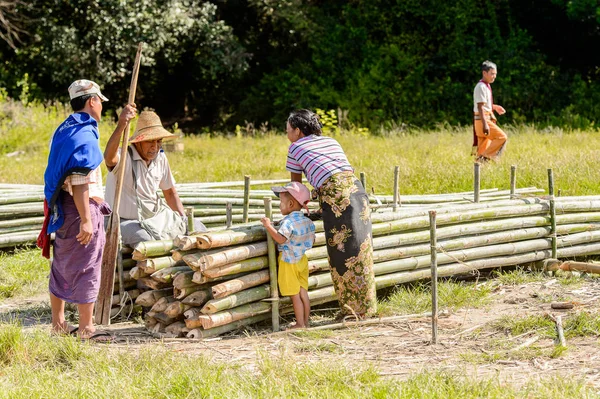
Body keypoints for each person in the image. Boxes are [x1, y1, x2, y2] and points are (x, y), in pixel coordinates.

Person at [37, 79, 136, 341]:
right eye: (100, 102)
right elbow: (80, 178)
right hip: (81, 208)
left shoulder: (65, 129)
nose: (101, 107)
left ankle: (58, 324)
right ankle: (86, 327)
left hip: (63, 209)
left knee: (62, 263)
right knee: (88, 265)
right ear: (92, 101)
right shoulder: (84, 133)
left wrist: (122, 123)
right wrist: (86, 220)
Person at [284, 109, 377, 319]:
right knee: (361, 251)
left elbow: (295, 186)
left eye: (288, 129)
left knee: (341, 253)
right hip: (356, 191)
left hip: (335, 196)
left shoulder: (295, 147)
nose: (287, 133)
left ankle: (351, 312)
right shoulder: (331, 141)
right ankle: (365, 309)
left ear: (297, 131)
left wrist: (293, 213)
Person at [104, 111, 206, 247]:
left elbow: (170, 193)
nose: (155, 146)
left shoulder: (160, 158)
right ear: (139, 141)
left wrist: (182, 219)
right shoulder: (125, 157)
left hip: (156, 217)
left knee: (197, 227)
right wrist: (121, 125)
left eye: (159, 141)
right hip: (124, 221)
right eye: (150, 141)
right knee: (147, 241)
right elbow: (109, 159)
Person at [261, 182, 315, 329]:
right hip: (302, 260)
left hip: (288, 260)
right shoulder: (307, 221)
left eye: (281, 202)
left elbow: (280, 239)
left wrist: (268, 226)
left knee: (294, 295)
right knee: (303, 293)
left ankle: (299, 324)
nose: (280, 205)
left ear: (290, 204)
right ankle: (306, 322)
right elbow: (312, 240)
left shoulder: (289, 222)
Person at [473, 60, 507, 162]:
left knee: (483, 147)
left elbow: (484, 104)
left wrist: (495, 107)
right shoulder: (481, 87)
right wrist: (485, 124)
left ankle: (479, 166)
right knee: (502, 137)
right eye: (492, 74)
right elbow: (480, 107)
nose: (494, 76)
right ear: (484, 73)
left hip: (484, 119)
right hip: (483, 120)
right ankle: (484, 158)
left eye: (495, 74)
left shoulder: (486, 86)